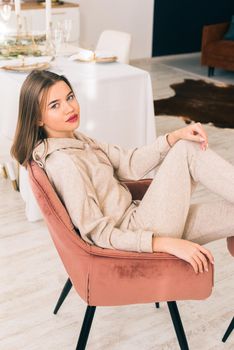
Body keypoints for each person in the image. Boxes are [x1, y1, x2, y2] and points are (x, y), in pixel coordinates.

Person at [11, 70, 234, 275]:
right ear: (38, 118)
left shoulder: (74, 138)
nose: (69, 108)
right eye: (55, 105)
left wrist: (173, 136)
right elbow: (99, 234)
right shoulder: (64, 164)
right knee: (189, 149)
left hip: (145, 217)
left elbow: (129, 164)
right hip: (141, 232)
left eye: (70, 97)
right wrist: (165, 243)